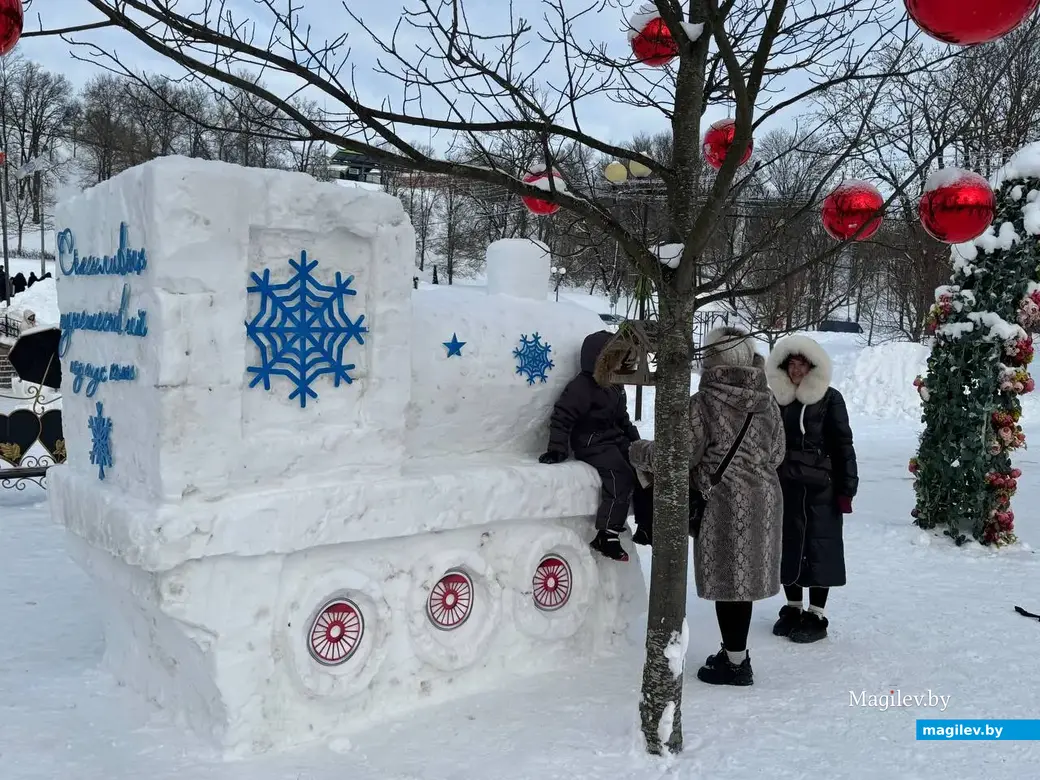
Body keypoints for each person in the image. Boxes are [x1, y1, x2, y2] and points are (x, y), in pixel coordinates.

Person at [628, 326, 785, 686]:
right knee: (741, 582)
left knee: (730, 582)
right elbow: (777, 453)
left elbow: (677, 455)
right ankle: (735, 655)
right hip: (764, 500)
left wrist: (636, 451)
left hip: (724, 503)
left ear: (712, 360)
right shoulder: (768, 401)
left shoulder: (704, 403)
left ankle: (735, 664)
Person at [765, 335, 858, 644]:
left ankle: (816, 614)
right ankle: (793, 607)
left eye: (801, 364)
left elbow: (843, 444)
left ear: (812, 367)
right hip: (784, 486)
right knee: (787, 545)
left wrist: (847, 487)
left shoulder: (830, 399)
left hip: (821, 490)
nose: (796, 370)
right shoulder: (776, 401)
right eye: (791, 364)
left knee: (820, 548)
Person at [538, 330, 650, 562]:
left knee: (643, 469)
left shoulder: (615, 385)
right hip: (591, 442)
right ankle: (606, 535)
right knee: (620, 475)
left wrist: (636, 443)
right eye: (615, 357)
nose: (619, 363)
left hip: (613, 439)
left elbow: (623, 419)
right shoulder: (582, 386)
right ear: (602, 359)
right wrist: (557, 449)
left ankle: (646, 524)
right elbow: (562, 416)